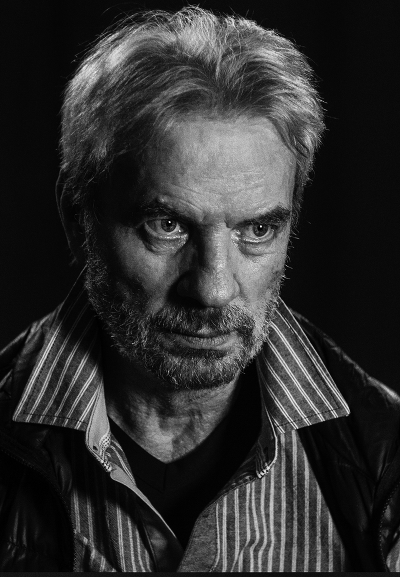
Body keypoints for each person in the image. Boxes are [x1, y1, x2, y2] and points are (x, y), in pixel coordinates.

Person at [1, 6, 399, 572]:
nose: (212, 289)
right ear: (76, 213)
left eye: (256, 230)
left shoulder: (388, 462)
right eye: (168, 225)